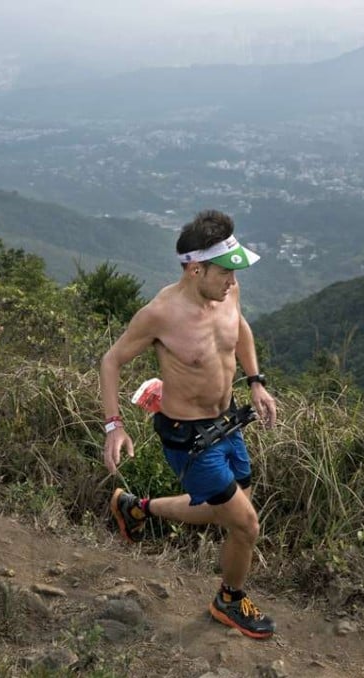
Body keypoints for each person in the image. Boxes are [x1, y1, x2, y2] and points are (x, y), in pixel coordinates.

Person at [100, 209, 278, 640]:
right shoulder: (161, 314)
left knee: (222, 514)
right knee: (245, 524)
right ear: (196, 269)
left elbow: (241, 330)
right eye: (225, 272)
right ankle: (229, 601)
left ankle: (135, 508)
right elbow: (111, 360)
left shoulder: (226, 292)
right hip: (189, 436)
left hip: (227, 423)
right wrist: (114, 426)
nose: (233, 281)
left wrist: (255, 381)